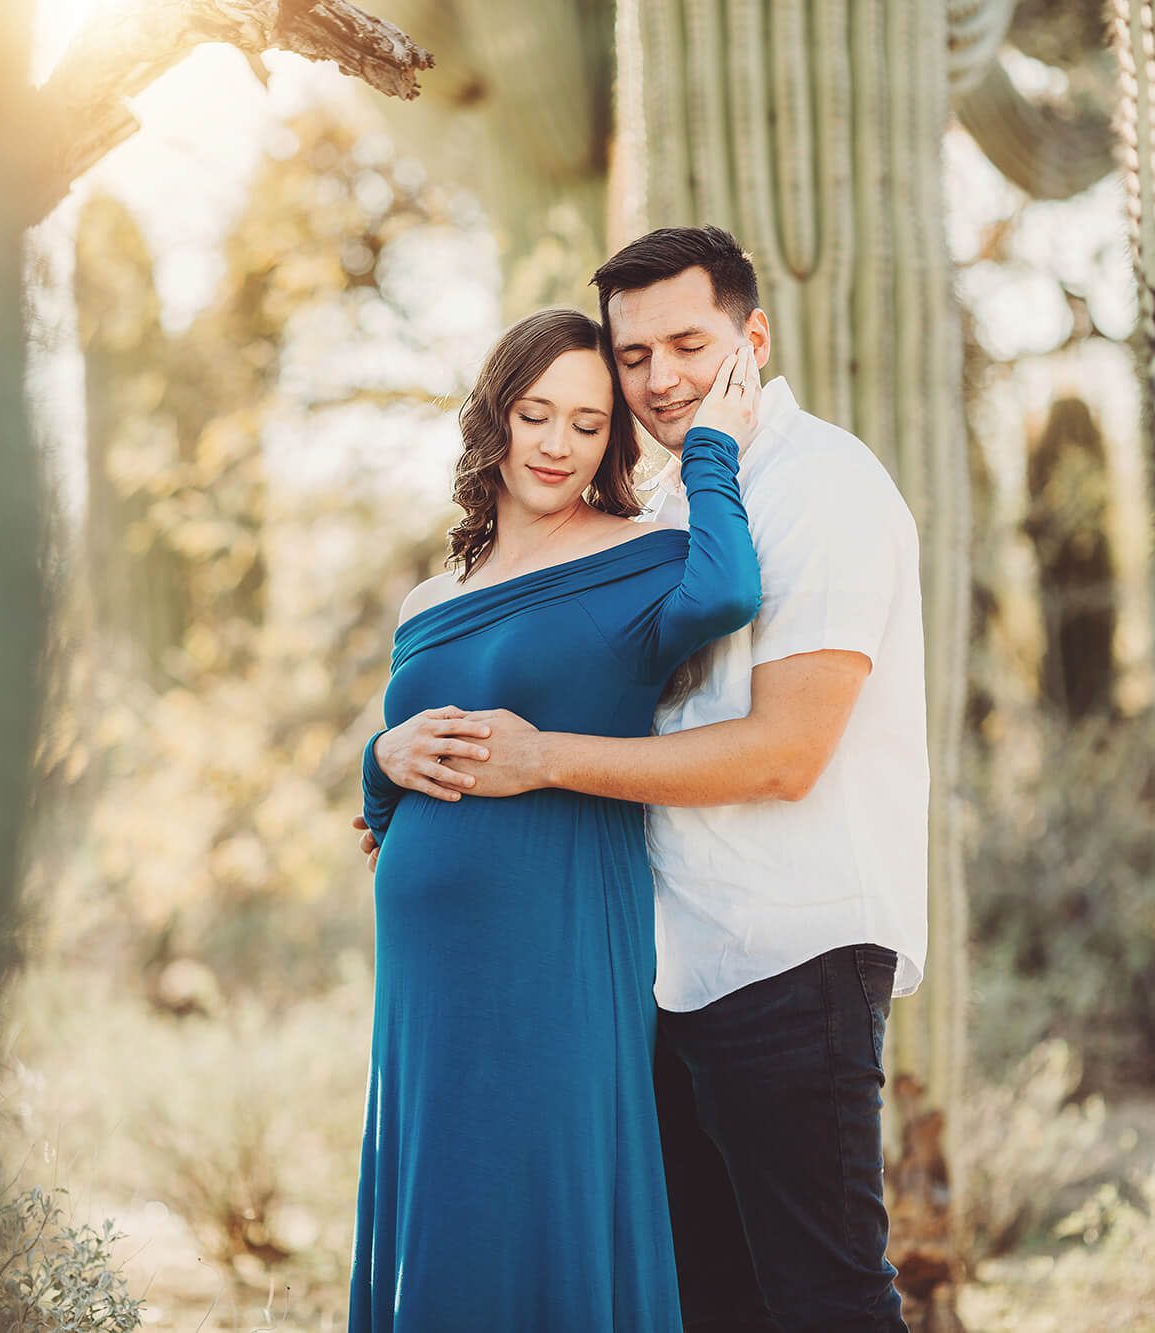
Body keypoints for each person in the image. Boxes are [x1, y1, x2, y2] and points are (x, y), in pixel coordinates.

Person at [363, 226, 928, 1331]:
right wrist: (385, 753)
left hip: (790, 952)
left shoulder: (823, 486)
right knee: (711, 1301)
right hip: (664, 969)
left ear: (749, 338)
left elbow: (783, 753)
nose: (660, 377)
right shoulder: (658, 508)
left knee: (825, 1299)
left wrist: (540, 759)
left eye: (688, 342)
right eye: (635, 356)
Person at [346, 305, 763, 1330]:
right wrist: (377, 759)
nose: (557, 444)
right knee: (442, 1184)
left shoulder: (638, 558)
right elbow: (397, 770)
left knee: (540, 1170)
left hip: (559, 933)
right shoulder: (426, 598)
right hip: (428, 967)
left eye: (586, 424)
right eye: (536, 415)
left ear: (610, 441)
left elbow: (726, 591)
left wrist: (711, 451)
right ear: (495, 420)